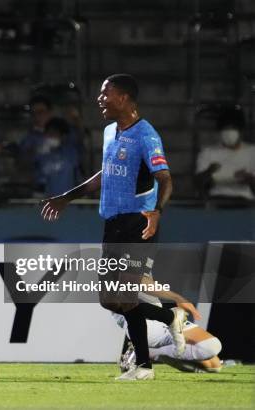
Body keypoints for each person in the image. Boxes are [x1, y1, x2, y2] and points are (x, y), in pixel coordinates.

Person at [40, 73, 200, 381]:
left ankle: (143, 366)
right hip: (112, 223)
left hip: (137, 222)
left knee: (125, 297)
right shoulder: (110, 131)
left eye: (105, 94)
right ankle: (170, 316)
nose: (100, 99)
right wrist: (67, 197)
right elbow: (105, 174)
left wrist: (156, 212)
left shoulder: (146, 135)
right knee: (109, 299)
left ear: (123, 98)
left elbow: (165, 179)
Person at [115, 294, 222, 374]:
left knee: (214, 366)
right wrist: (177, 299)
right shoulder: (125, 267)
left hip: (154, 318)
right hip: (150, 323)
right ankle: (143, 353)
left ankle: (147, 352)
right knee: (211, 346)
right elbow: (144, 283)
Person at [195, 112, 255, 201]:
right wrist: (209, 171)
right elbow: (198, 183)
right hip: (216, 199)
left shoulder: (252, 151)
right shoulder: (208, 152)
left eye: (233, 129)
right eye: (225, 129)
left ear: (241, 131)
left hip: (245, 200)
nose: (229, 133)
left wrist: (248, 178)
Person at [33, 117, 81, 197]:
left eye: (54, 134)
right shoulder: (41, 154)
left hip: (69, 200)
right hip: (48, 200)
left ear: (63, 136)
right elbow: (39, 179)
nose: (50, 137)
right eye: (48, 134)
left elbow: (77, 176)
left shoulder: (71, 153)